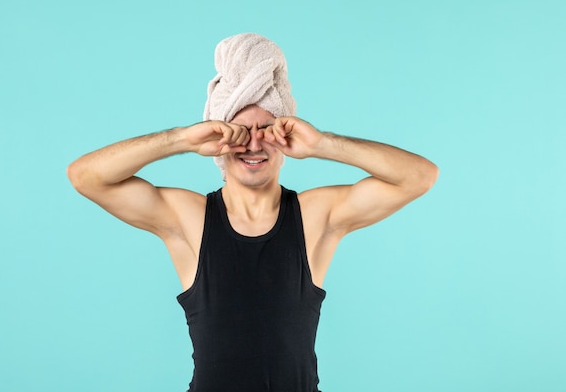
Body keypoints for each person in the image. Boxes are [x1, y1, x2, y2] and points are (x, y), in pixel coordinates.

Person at [67, 33, 439, 392]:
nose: (255, 143)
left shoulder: (314, 215)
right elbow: (86, 177)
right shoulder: (189, 218)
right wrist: (181, 139)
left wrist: (323, 143)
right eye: (241, 131)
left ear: (287, 136)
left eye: (267, 130)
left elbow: (419, 176)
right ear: (219, 139)